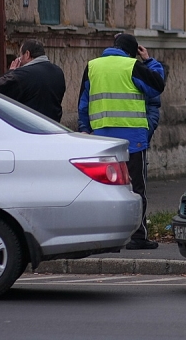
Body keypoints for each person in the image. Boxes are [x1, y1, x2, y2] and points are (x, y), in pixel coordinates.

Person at [77, 33, 165, 250]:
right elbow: (157, 86)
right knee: (136, 189)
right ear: (134, 50)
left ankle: (103, 238)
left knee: (101, 188)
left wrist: (84, 129)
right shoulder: (132, 66)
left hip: (101, 140)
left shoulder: (92, 66)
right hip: (132, 140)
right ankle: (138, 237)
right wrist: (150, 61)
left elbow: (83, 102)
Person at [0, 39, 66, 122]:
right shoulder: (58, 72)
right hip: (52, 126)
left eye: (20, 55)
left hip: (30, 127)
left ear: (27, 54)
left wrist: (11, 72)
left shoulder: (23, 74)